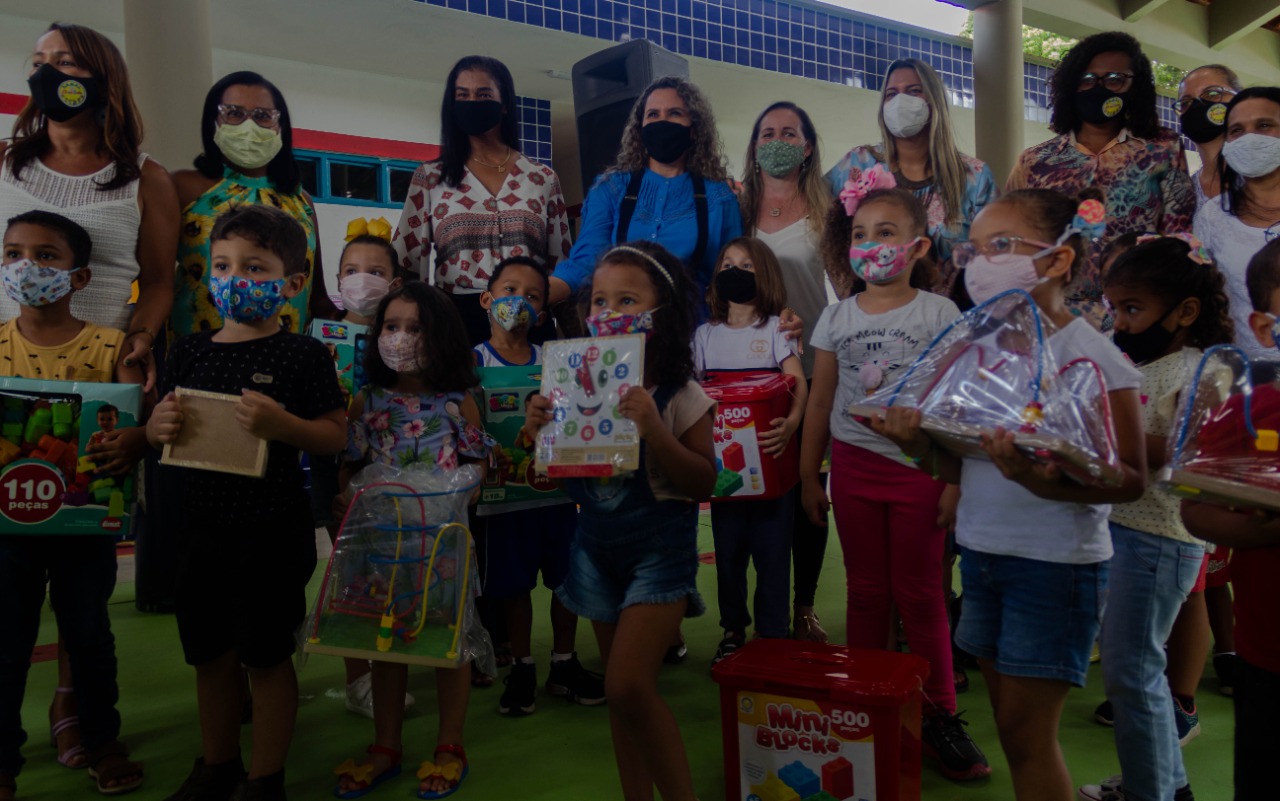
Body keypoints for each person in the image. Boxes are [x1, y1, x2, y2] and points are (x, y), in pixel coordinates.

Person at [875, 189, 1147, 801]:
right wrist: (911, 444)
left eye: (1001, 247)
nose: (980, 265)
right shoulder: (982, 353)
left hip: (1053, 567)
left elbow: (1131, 479)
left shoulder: (1095, 358)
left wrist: (1034, 478)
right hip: (984, 554)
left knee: (1028, 739)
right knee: (1009, 729)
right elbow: (957, 459)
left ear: (1057, 260)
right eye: (973, 250)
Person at [0, 22, 180, 772]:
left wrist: (140, 338)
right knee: (8, 588)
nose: (47, 75)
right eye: (38, 64)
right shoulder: (9, 165)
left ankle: (77, 707)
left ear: (101, 75)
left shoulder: (145, 178)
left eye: (64, 63)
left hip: (101, 381)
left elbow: (161, 277)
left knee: (84, 580)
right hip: (12, 380)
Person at [148, 206, 346, 801]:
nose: (236, 278)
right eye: (224, 264)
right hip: (198, 527)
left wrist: (285, 424)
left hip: (269, 532)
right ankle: (216, 765)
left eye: (255, 267)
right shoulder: (189, 351)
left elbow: (335, 433)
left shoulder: (303, 355)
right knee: (208, 655)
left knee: (264, 656)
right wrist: (158, 423)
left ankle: (265, 779)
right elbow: (167, 426)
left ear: (290, 283)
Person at [800, 168, 987, 780]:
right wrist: (810, 476)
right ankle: (864, 705)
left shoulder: (939, 313)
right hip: (852, 468)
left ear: (919, 246)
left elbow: (958, 405)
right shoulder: (836, 318)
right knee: (865, 591)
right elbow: (821, 403)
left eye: (887, 232)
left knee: (921, 593)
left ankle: (938, 716)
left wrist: (956, 479)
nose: (871, 244)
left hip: (919, 471)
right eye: (861, 233)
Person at [522, 242, 715, 801]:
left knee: (629, 684)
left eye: (627, 299)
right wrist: (541, 434)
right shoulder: (573, 388)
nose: (608, 312)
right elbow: (563, 482)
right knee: (619, 692)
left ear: (665, 311)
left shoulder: (683, 395)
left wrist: (655, 428)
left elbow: (704, 481)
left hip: (660, 553)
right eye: (599, 300)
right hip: (594, 551)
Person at [1078, 235, 1233, 801]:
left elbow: (1189, 451)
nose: (1118, 321)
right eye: (1114, 307)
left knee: (1132, 675)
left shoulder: (1198, 371)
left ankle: (1152, 793)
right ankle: (1163, 784)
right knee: (1133, 673)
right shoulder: (1136, 363)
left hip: (1161, 539)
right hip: (1120, 530)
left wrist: (1096, 435)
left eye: (1132, 309)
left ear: (1185, 312)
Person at [0, 210, 147, 801]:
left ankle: (103, 739)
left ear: (79, 277)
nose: (26, 266)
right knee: (6, 639)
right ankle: (3, 758)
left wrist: (132, 441)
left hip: (85, 524)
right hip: (8, 528)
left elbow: (133, 429)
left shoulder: (111, 347)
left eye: (46, 255)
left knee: (89, 633)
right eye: (13, 254)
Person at [334, 282, 492, 799]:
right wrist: (348, 500)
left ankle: (450, 744)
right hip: (381, 543)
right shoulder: (369, 399)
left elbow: (479, 466)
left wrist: (451, 492)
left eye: (415, 328)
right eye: (391, 326)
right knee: (387, 642)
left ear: (441, 336)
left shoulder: (456, 403)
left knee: (450, 642)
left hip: (441, 543)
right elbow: (351, 464)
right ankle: (386, 745)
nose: (400, 338)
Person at [472, 256, 605, 716]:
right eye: (509, 290)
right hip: (502, 504)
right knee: (514, 589)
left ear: (543, 315)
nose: (518, 302)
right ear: (487, 299)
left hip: (558, 497)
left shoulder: (556, 361)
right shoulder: (472, 362)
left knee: (567, 583)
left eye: (531, 296)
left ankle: (564, 664)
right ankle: (523, 666)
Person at [1179, 236, 1280, 800]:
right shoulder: (1248, 409)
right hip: (1267, 653)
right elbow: (1195, 508)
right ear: (1266, 329)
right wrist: (1255, 530)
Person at [1007, 32, 1195, 329]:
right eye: (1087, 78)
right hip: (1053, 313)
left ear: (1136, 86)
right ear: (1071, 85)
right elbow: (1015, 241)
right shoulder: (1034, 162)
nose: (1099, 87)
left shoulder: (1162, 149)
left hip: (1136, 313)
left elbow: (1177, 235)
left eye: (1114, 78)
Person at [307, 218, 413, 721]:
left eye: (375, 270)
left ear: (394, 283)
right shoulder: (317, 339)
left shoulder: (403, 337)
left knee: (395, 571)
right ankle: (359, 679)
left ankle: (399, 662)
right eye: (351, 270)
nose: (361, 279)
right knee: (351, 569)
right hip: (337, 468)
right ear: (337, 279)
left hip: (396, 468)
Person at [393, 56, 572, 346]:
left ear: (504, 104)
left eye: (483, 94)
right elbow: (407, 264)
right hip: (454, 323)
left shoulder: (542, 179)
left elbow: (562, 264)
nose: (472, 102)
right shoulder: (431, 177)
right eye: (462, 95)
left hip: (529, 322)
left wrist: (577, 341)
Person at [737, 101, 832, 641]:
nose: (777, 140)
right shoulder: (735, 207)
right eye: (767, 131)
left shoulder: (829, 211)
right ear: (754, 146)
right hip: (746, 371)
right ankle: (751, 611)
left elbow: (845, 290)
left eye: (789, 132)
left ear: (808, 145)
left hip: (813, 368)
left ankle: (804, 605)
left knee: (806, 488)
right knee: (752, 490)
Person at [694, 237, 807, 663]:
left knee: (774, 553)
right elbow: (691, 390)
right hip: (726, 469)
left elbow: (797, 381)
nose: (734, 271)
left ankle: (773, 632)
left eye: (746, 265)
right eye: (727, 264)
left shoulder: (777, 328)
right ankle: (733, 629)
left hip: (773, 465)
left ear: (767, 277)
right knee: (729, 554)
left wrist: (793, 424)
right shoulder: (704, 335)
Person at [550, 77, 742, 309]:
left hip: (692, 331)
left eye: (674, 113)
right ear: (640, 128)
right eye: (653, 114)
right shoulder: (611, 188)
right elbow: (585, 262)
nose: (662, 121)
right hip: (621, 330)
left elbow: (732, 274)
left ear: (694, 129)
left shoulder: (719, 197)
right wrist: (535, 293)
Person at [171, 70, 335, 338]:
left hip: (284, 360)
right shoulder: (184, 187)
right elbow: (157, 282)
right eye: (234, 113)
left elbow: (317, 297)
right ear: (214, 120)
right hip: (198, 357)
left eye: (262, 116)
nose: (249, 126)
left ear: (280, 126)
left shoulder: (301, 201)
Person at [825, 58, 996, 299]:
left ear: (934, 99)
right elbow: (813, 218)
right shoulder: (857, 164)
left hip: (949, 321)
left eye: (914, 91)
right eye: (891, 94)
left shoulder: (974, 177)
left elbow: (991, 258)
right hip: (873, 320)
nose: (900, 101)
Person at [1195, 87, 1280, 361]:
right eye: (1237, 131)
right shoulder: (1212, 216)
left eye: (1264, 125)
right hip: (1240, 374)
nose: (1249, 138)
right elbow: (1204, 298)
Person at [1177, 65, 1242, 208]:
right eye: (1185, 103)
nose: (1195, 106)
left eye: (1212, 94)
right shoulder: (1183, 196)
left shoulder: (1270, 179)